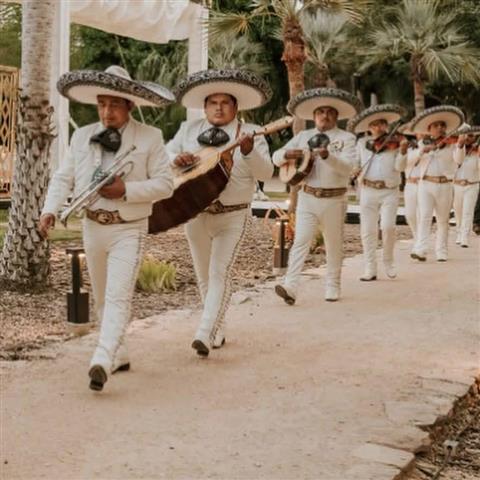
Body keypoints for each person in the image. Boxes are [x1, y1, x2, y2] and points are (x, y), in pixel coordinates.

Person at [38, 66, 175, 391]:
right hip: (92, 226)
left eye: (114, 104)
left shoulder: (150, 137)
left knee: (117, 295)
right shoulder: (82, 134)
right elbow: (64, 177)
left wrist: (125, 190)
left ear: (129, 105)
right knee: (102, 297)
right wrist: (50, 210)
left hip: (129, 227)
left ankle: (101, 357)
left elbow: (166, 184)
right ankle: (120, 351)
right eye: (101, 104)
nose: (106, 111)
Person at [166, 69, 273, 357]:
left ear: (236, 107)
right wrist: (176, 159)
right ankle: (217, 328)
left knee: (219, 272)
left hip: (233, 215)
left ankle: (203, 331)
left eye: (225, 102)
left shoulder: (251, 133)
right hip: (196, 213)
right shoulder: (189, 130)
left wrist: (250, 151)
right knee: (203, 275)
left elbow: (267, 173)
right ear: (205, 106)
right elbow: (164, 156)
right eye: (213, 102)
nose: (218, 107)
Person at [273, 88, 360, 303]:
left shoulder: (346, 138)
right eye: (320, 111)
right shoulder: (303, 136)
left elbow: (348, 168)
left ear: (336, 116)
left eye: (330, 111)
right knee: (301, 241)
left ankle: (333, 285)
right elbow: (275, 157)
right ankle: (290, 286)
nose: (325, 115)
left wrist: (328, 156)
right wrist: (286, 154)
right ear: (314, 116)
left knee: (333, 243)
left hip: (334, 198)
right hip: (308, 196)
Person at [347, 104, 407, 281]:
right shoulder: (361, 143)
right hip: (367, 189)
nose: (379, 127)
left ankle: (388, 261)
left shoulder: (396, 143)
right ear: (369, 127)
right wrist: (354, 170)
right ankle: (370, 267)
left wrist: (403, 153)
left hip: (389, 190)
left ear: (386, 125)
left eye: (382, 123)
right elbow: (355, 163)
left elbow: (400, 167)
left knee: (388, 227)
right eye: (375, 124)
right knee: (368, 230)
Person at [409, 106, 465, 262]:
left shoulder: (452, 143)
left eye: (442, 125)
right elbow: (410, 161)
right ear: (429, 129)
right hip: (425, 184)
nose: (440, 128)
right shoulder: (421, 144)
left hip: (445, 184)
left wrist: (460, 145)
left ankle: (442, 251)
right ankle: (421, 249)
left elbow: (459, 160)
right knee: (425, 217)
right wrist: (422, 151)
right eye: (436, 125)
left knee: (442, 219)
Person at [452, 126, 480, 247]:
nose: (468, 138)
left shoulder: (477, 150)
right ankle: (459, 232)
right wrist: (460, 146)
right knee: (458, 211)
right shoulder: (455, 148)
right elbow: (457, 161)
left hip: (472, 184)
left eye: (471, 136)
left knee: (468, 211)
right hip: (457, 184)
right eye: (466, 136)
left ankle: (464, 236)